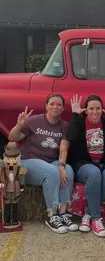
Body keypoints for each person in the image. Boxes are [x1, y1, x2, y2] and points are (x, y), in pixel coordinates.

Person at [8, 94, 78, 234]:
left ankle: (63, 213)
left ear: (63, 108)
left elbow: (64, 148)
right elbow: (12, 138)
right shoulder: (34, 121)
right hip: (29, 162)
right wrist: (19, 125)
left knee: (68, 170)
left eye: (58, 104)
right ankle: (51, 215)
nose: (55, 107)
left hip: (50, 162)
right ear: (46, 106)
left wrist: (61, 165)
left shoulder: (64, 126)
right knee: (51, 172)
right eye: (52, 104)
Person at [66, 94, 105, 237]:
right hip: (84, 164)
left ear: (102, 110)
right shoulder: (79, 122)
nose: (95, 112)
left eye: (98, 108)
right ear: (86, 110)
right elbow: (70, 137)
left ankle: (87, 214)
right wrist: (74, 115)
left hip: (104, 164)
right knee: (94, 173)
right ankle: (97, 219)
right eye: (91, 108)